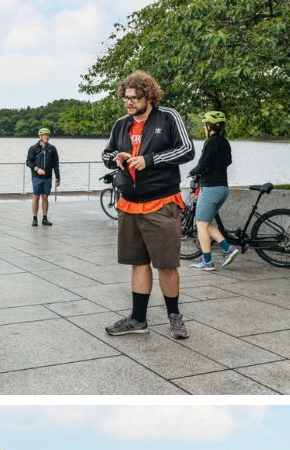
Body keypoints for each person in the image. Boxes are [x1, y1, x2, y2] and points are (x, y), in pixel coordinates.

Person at [101, 70, 195, 340]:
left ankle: (174, 317)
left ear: (149, 96)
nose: (129, 103)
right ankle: (138, 319)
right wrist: (116, 157)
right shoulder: (121, 124)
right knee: (138, 263)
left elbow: (187, 149)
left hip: (161, 203)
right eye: (126, 98)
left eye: (135, 98)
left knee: (166, 264)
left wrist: (149, 160)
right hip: (129, 204)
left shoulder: (168, 117)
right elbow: (106, 153)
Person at [188, 111, 236, 271]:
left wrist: (193, 172)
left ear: (209, 126)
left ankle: (208, 261)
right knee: (206, 223)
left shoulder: (211, 142)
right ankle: (225, 249)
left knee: (200, 224)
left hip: (210, 188)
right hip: (223, 188)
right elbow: (228, 161)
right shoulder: (225, 142)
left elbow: (203, 163)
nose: (204, 128)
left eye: (204, 125)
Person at [26, 127, 61, 226]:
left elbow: (56, 164)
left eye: (48, 135)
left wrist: (58, 178)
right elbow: (28, 162)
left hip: (48, 177)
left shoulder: (52, 149)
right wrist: (37, 169)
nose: (47, 137)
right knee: (36, 197)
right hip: (36, 177)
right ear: (40, 136)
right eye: (45, 135)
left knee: (45, 197)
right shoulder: (33, 148)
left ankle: (45, 218)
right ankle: (34, 218)